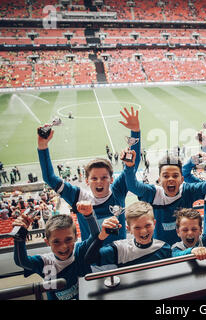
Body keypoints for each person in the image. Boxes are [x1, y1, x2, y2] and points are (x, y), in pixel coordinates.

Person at [36, 107, 141, 245]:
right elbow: (49, 178)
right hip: (92, 259)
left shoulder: (117, 190)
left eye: (104, 177)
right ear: (87, 181)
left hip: (119, 256)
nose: (99, 182)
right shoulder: (78, 197)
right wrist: (42, 145)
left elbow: (133, 162)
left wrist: (135, 131)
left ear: (112, 179)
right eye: (94, 178)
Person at [125, 150, 206, 246]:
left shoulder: (187, 191)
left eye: (175, 176)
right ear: (159, 179)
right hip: (161, 248)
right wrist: (129, 167)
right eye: (166, 176)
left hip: (186, 246)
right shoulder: (153, 193)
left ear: (182, 180)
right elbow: (132, 186)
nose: (171, 179)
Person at [12, 212, 95, 300]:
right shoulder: (45, 262)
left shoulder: (80, 251)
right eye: (56, 241)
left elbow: (95, 236)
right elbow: (22, 262)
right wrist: (19, 237)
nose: (63, 247)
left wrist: (89, 215)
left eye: (68, 239)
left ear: (76, 237)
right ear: (47, 242)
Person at [84, 201, 171, 268]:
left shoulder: (164, 248)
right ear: (129, 229)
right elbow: (89, 260)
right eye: (137, 228)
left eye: (148, 225)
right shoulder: (120, 249)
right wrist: (102, 236)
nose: (143, 231)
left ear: (154, 223)